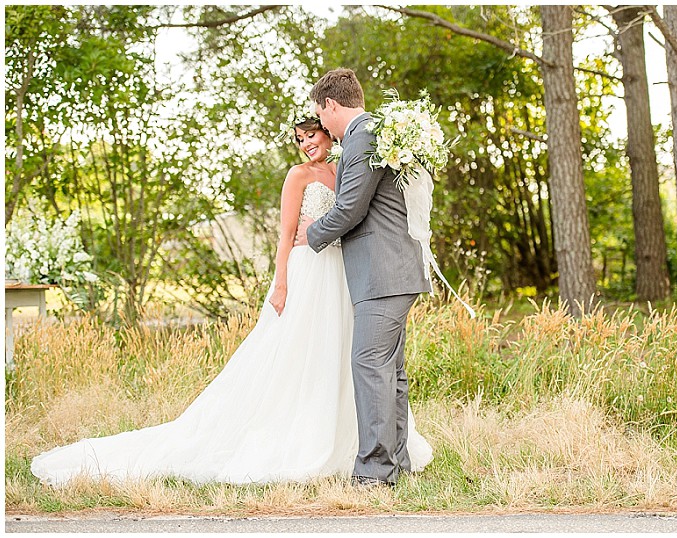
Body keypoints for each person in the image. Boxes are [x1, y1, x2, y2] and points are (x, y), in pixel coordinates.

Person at [30, 113, 433, 488]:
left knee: (342, 356)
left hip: (344, 275)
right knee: (299, 357)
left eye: (311, 134)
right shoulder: (298, 177)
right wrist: (280, 284)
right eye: (299, 139)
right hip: (308, 273)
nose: (306, 143)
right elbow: (285, 235)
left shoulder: (346, 167)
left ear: (328, 131)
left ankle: (357, 441)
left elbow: (354, 214)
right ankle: (306, 436)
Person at [294, 68, 432, 488]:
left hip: (383, 271)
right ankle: (398, 462)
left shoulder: (362, 135)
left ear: (331, 105)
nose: (324, 126)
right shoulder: (375, 132)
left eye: (322, 113)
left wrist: (312, 232)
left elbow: (351, 207)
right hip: (394, 269)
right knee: (390, 369)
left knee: (370, 364)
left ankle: (374, 472)